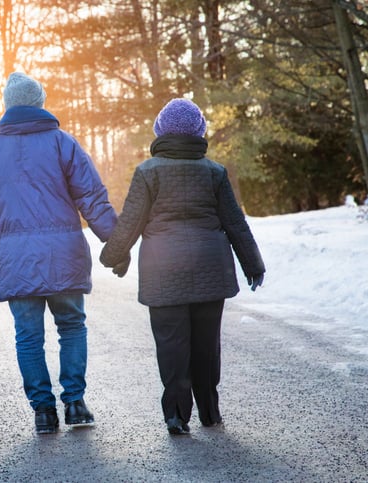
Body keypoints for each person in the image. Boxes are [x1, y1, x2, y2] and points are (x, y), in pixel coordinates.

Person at [0, 72, 119, 434]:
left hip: (16, 262)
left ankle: (44, 412)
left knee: (29, 336)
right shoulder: (63, 143)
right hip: (63, 255)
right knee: (71, 326)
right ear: (39, 103)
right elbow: (91, 197)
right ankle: (76, 404)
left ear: (8, 106)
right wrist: (115, 239)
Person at [99, 98, 265, 435]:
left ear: (160, 132)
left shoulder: (148, 171)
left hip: (164, 271)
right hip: (210, 267)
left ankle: (176, 414)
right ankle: (209, 411)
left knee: (172, 344)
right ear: (200, 132)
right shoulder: (215, 172)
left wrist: (112, 255)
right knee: (206, 345)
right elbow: (235, 223)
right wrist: (253, 263)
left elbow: (131, 221)